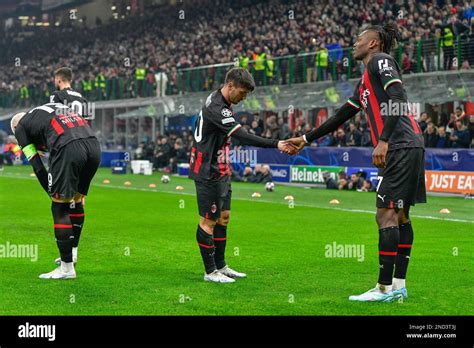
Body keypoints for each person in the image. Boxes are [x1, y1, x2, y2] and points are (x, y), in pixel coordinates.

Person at [287, 23, 426, 302]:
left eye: (359, 39)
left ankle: (384, 289)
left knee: (384, 215)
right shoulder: (365, 80)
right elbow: (342, 115)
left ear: (373, 43)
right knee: (400, 215)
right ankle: (399, 286)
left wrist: (384, 140)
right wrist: (306, 137)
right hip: (408, 144)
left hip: (399, 144)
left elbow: (398, 97)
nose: (355, 43)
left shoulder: (381, 61)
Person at [188, 68, 295, 283]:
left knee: (223, 218)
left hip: (221, 168)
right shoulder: (217, 107)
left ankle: (221, 266)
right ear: (230, 86)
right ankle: (210, 272)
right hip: (208, 170)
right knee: (207, 221)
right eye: (242, 93)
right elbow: (242, 136)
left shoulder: (221, 100)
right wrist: (277, 144)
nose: (244, 98)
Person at [10, 102, 101, 279]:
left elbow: (37, 166)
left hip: (69, 147)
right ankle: (72, 252)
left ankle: (66, 269)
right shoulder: (48, 109)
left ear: (15, 128)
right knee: (76, 200)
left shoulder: (20, 127)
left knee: (59, 208)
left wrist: (53, 194)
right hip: (93, 146)